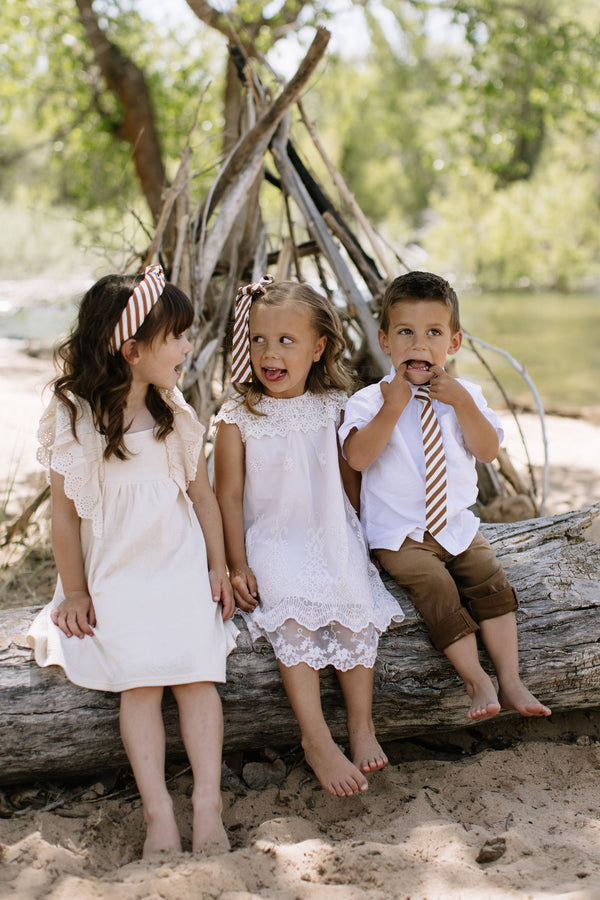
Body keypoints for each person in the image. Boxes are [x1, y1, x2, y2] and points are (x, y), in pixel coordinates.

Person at [28, 265, 239, 859]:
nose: (188, 346)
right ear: (132, 348)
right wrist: (73, 592)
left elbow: (201, 498)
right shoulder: (74, 417)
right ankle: (157, 814)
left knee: (198, 676)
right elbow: (66, 518)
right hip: (116, 572)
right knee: (140, 685)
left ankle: (207, 804)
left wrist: (217, 568)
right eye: (176, 336)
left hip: (177, 565)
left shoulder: (174, 412)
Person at [214, 277, 404, 798]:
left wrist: (366, 540)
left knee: (352, 598)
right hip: (271, 540)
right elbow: (227, 497)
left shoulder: (334, 407)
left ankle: (361, 727)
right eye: (257, 340)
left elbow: (350, 482)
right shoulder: (237, 417)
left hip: (329, 532)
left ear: (318, 348)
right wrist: (236, 565)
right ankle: (316, 737)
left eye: (285, 341)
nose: (269, 353)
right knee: (292, 608)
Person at [340, 270, 551, 722]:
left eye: (433, 333)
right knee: (436, 588)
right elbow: (357, 457)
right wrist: (393, 407)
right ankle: (477, 679)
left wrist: (465, 405)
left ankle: (511, 680)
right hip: (399, 535)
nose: (419, 345)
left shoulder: (465, 395)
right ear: (385, 340)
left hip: (456, 524)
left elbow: (488, 451)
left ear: (453, 343)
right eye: (406, 333)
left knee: (490, 579)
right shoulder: (367, 402)